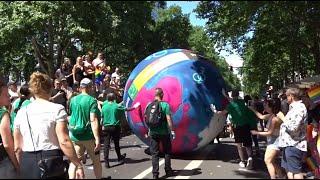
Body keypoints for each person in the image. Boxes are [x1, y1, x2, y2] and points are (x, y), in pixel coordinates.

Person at [13, 72, 84, 179]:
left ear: (32, 90)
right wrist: (78, 164)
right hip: (51, 161)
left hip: (28, 162)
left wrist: (20, 168)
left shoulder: (21, 112)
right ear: (50, 89)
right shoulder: (57, 109)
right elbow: (64, 141)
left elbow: (18, 147)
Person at [68, 78, 103, 179]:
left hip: (75, 136)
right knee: (96, 161)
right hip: (88, 136)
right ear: (89, 87)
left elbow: (72, 116)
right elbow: (93, 120)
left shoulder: (73, 99)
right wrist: (97, 138)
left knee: (74, 162)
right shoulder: (91, 100)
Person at [216, 90, 254, 169]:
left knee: (239, 145)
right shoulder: (243, 102)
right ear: (238, 95)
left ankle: (243, 161)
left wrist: (215, 111)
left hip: (237, 127)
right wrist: (226, 96)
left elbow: (223, 113)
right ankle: (250, 158)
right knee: (247, 144)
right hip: (246, 125)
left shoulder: (231, 105)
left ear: (232, 96)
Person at [101, 92, 140, 168]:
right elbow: (127, 109)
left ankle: (106, 162)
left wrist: (102, 125)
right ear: (114, 98)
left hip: (106, 127)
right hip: (115, 127)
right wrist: (135, 106)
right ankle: (119, 157)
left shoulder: (104, 107)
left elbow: (102, 117)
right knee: (116, 143)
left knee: (106, 145)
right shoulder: (116, 106)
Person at [249, 98, 286, 179]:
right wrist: (252, 109)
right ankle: (281, 176)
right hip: (273, 141)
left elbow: (269, 132)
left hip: (275, 142)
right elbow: (261, 116)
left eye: (266, 105)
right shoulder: (272, 115)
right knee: (272, 161)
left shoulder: (275, 118)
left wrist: (256, 132)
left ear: (271, 107)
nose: (264, 107)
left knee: (267, 161)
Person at [276, 88, 307, 179]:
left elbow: (294, 128)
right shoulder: (294, 108)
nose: (286, 98)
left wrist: (283, 118)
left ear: (291, 96)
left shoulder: (299, 108)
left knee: (296, 171)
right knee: (288, 169)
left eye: (286, 96)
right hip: (289, 144)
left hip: (294, 144)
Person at [144, 88, 174, 179]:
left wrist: (149, 130)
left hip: (153, 132)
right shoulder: (165, 105)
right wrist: (172, 131)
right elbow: (168, 119)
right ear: (162, 95)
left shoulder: (149, 105)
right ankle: (168, 170)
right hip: (164, 132)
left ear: (155, 95)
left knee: (155, 154)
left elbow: (147, 118)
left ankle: (155, 174)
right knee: (167, 151)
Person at [0, 77, 19, 178]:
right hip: (3, 163)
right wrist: (17, 165)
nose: (9, 97)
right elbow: (7, 144)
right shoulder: (3, 114)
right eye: (6, 95)